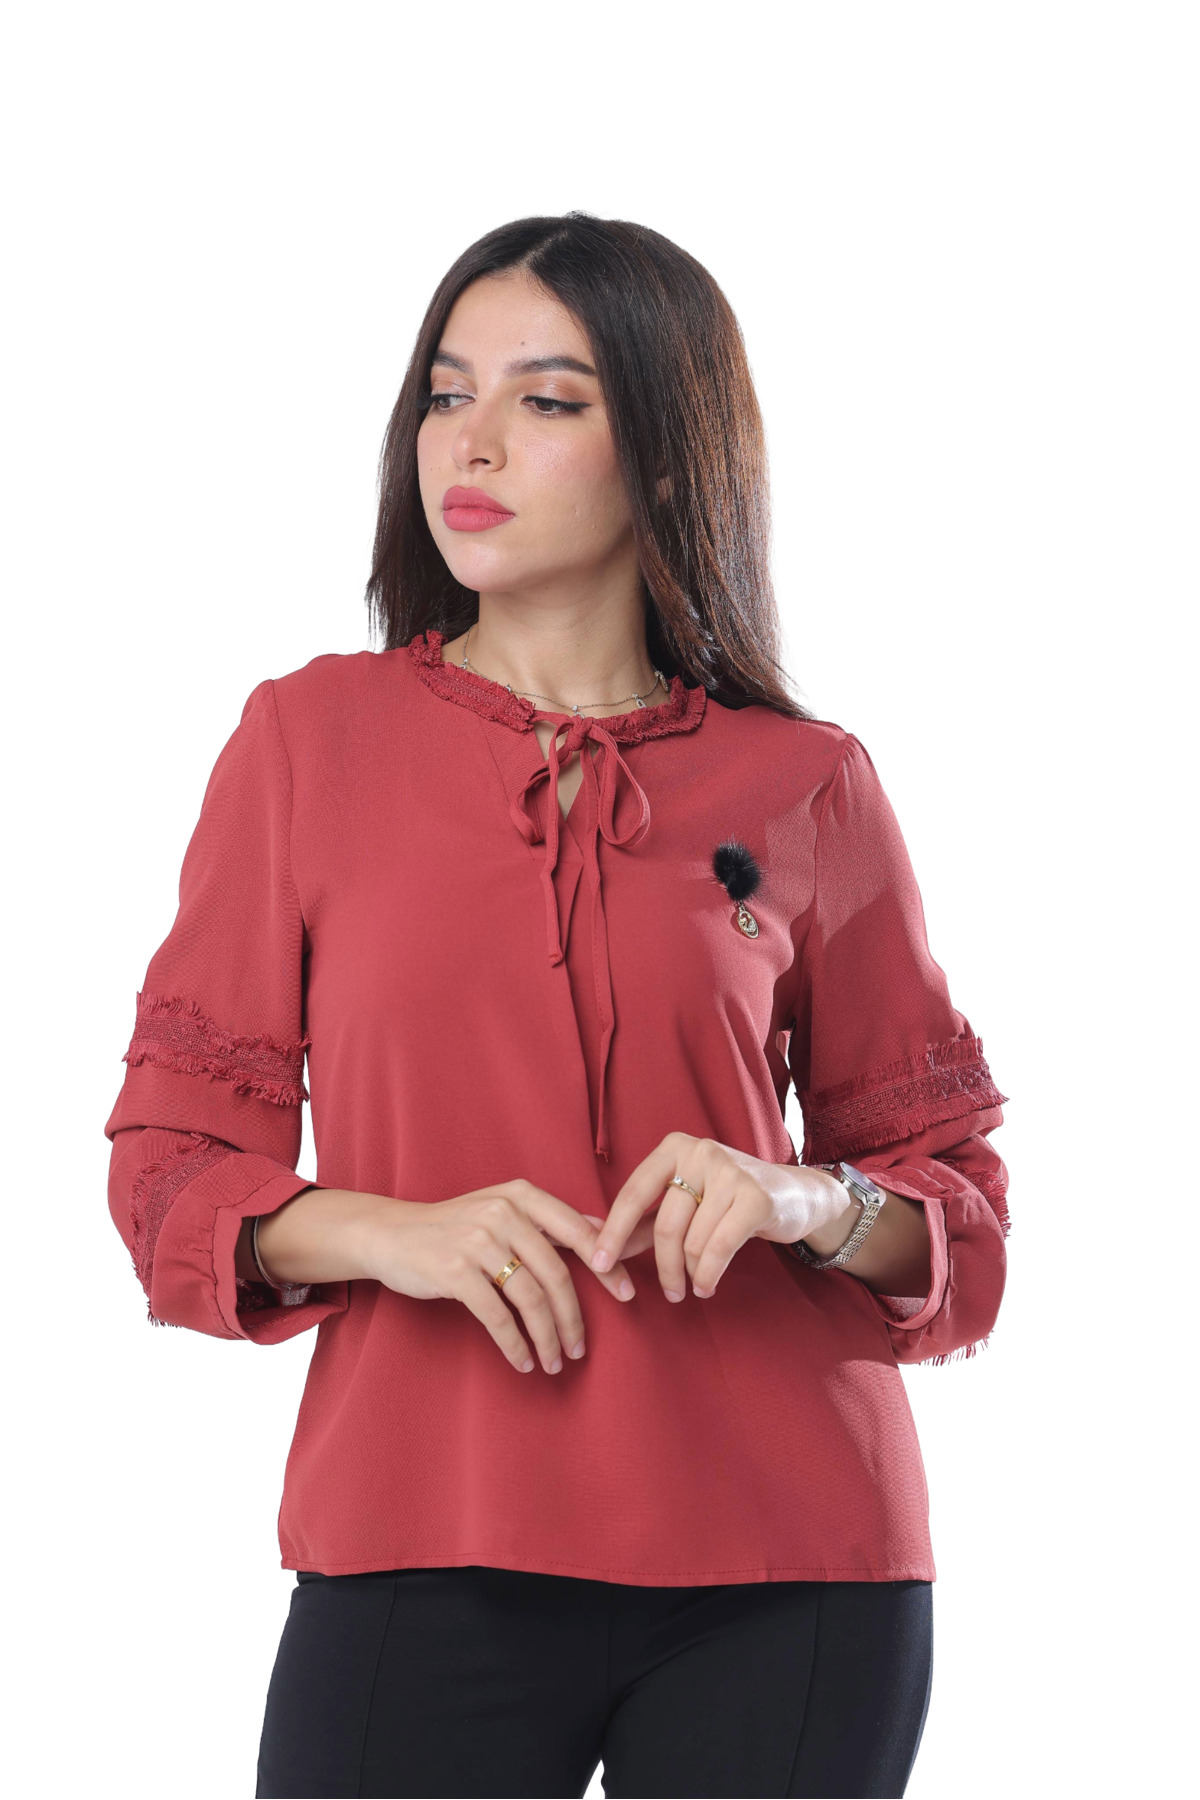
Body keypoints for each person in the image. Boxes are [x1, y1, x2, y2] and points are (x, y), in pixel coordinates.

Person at [103, 212, 1010, 1800]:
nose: (472, 442)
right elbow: (167, 1174)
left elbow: (964, 1226)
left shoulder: (808, 784)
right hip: (420, 1527)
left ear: (664, 452)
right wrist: (391, 1232)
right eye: (447, 394)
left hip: (793, 1560)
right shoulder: (307, 744)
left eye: (546, 400)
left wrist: (800, 1197)